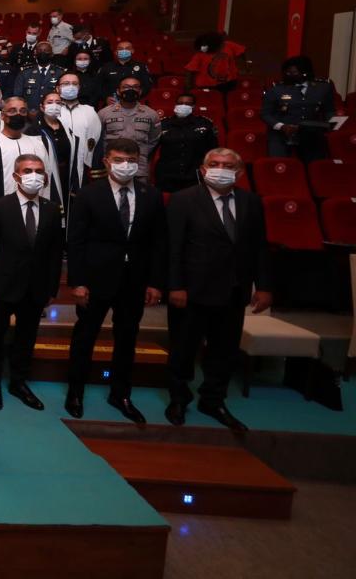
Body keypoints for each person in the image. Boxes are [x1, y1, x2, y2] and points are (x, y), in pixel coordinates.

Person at [165, 148, 272, 432]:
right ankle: (178, 398)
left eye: (227, 165)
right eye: (214, 164)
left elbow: (259, 247)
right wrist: (175, 285)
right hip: (191, 291)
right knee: (183, 349)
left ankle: (213, 400)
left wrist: (263, 286)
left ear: (239, 172)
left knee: (224, 351)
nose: (220, 169)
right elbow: (173, 247)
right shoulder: (183, 199)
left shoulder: (251, 202)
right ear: (203, 170)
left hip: (234, 290)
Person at [65, 139, 166, 424]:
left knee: (127, 338)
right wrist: (77, 282)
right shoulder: (89, 194)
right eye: (119, 160)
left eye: (131, 160)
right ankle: (75, 392)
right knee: (85, 337)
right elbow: (76, 241)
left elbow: (159, 242)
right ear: (106, 162)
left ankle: (120, 394)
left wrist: (156, 282)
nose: (125, 165)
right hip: (95, 279)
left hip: (134, 280)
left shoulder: (151, 195)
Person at [0, 154, 63, 411]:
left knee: (27, 337)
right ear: (16, 176)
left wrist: (52, 288)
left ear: (45, 177)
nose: (34, 176)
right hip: (3, 285)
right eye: (27, 171)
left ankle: (18, 382)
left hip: (36, 288)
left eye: (39, 171)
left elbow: (55, 252)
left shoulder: (52, 209)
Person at [0, 97, 56, 220]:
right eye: (12, 110)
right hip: (1, 213)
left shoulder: (38, 144)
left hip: (35, 211)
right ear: (2, 116)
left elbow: (48, 177)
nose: (18, 114)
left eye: (22, 111)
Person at [261, 55, 335, 163]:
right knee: (280, 164)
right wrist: (282, 126)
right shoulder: (276, 89)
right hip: (282, 134)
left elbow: (329, 110)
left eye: (294, 73)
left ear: (305, 72)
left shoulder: (322, 88)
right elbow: (265, 114)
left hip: (311, 134)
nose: (290, 75)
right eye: (288, 72)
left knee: (316, 165)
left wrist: (332, 124)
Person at [152, 94, 218, 193]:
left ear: (193, 106)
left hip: (194, 175)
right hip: (167, 174)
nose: (183, 106)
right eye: (180, 103)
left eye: (187, 104)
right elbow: (152, 148)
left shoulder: (205, 123)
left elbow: (213, 151)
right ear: (175, 105)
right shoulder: (163, 124)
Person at [98, 77, 161, 179]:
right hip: (113, 166)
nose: (130, 90)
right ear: (118, 91)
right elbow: (98, 139)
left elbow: (154, 139)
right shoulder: (104, 113)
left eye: (135, 87)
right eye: (126, 87)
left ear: (140, 91)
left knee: (140, 189)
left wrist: (140, 151)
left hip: (138, 167)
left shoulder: (151, 114)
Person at [54, 72, 104, 201]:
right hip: (58, 167)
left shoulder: (89, 111)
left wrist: (92, 167)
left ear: (79, 88)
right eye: (66, 83)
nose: (70, 86)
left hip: (83, 168)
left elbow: (96, 141)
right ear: (58, 88)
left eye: (74, 84)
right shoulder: (52, 111)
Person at [34, 92, 73, 214]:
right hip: (45, 175)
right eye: (50, 102)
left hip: (65, 174)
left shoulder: (66, 129)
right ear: (42, 107)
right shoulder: (34, 129)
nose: (54, 105)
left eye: (58, 102)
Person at [13, 41, 61, 113]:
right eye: (40, 50)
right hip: (29, 113)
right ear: (35, 54)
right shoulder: (25, 72)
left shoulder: (60, 73)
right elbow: (18, 96)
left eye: (46, 51)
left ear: (51, 54)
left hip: (53, 112)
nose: (43, 53)